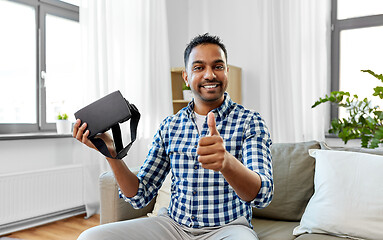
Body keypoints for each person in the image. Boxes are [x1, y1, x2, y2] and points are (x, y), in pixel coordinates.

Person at [74, 33, 273, 240]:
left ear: (227, 72)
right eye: (198, 67)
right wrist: (111, 153)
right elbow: (140, 195)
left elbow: (262, 195)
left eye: (218, 66)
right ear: (186, 77)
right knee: (91, 237)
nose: (209, 75)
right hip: (173, 226)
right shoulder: (170, 126)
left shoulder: (250, 121)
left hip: (229, 228)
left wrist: (227, 163)